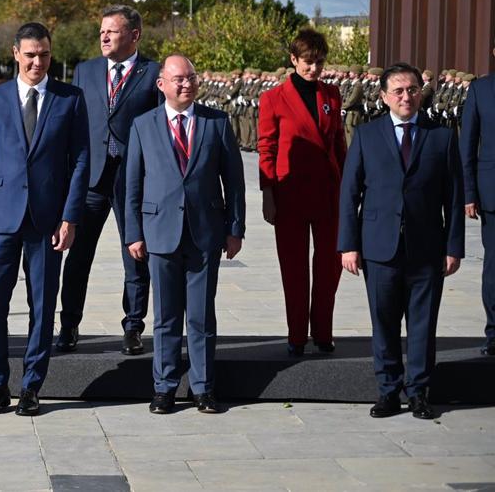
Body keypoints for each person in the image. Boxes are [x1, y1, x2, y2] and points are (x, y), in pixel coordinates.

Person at [0, 22, 89, 417]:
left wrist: (70, 217)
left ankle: (32, 386)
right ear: (15, 53)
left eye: (45, 54)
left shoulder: (70, 99)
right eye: (31, 54)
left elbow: (82, 162)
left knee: (42, 305)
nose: (38, 61)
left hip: (47, 222)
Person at [339, 62, 463, 420]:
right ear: (383, 97)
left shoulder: (440, 136)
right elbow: (349, 194)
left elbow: (452, 197)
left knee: (423, 324)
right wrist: (348, 245)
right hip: (379, 247)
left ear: (421, 92)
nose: (406, 96)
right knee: (385, 322)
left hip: (427, 248)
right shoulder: (366, 135)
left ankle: (420, 392)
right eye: (398, 91)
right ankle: (388, 391)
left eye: (412, 89)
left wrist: (454, 247)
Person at [125, 54, 245, 415]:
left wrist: (234, 228)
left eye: (191, 78)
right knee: (165, 316)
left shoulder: (216, 123)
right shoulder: (143, 125)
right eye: (178, 79)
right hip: (159, 232)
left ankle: (203, 388)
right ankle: (164, 387)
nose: (186, 84)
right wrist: (134, 232)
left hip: (205, 233)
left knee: (201, 316)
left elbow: (234, 182)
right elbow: (132, 184)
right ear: (161, 84)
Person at [57, 4, 159, 355]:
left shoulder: (152, 73)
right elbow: (71, 124)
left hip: (134, 180)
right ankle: (69, 325)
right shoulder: (85, 71)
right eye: (102, 30)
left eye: (112, 31)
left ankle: (133, 327)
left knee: (136, 256)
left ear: (134, 35)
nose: (104, 36)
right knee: (78, 255)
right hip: (91, 178)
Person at [257, 29, 347, 356]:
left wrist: (349, 188)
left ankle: (323, 331)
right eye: (308, 62)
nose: (314, 69)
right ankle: (296, 335)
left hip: (328, 192)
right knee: (294, 269)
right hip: (290, 194)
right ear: (294, 59)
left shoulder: (332, 95)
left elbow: (339, 144)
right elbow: (266, 147)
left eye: (319, 62)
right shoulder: (273, 99)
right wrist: (268, 193)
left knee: (329, 267)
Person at [460, 47, 495, 356]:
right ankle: (494, 333)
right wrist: (468, 192)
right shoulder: (480, 89)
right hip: (492, 193)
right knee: (494, 266)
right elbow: (467, 144)